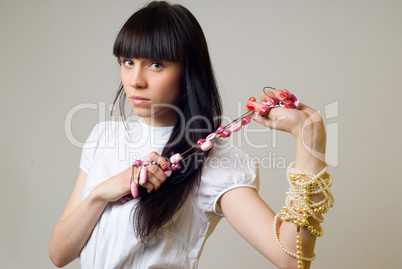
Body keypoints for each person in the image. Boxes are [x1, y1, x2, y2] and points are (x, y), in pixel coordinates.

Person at [49, 1, 333, 269]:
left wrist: (310, 136)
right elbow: (60, 254)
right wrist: (101, 193)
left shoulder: (215, 160)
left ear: (188, 71)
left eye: (156, 64)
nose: (135, 80)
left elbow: (292, 258)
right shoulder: (104, 137)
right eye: (127, 61)